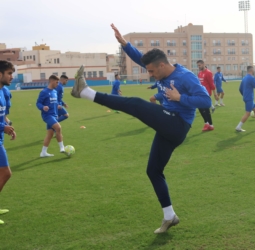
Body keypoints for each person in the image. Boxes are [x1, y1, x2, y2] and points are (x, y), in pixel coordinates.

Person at [70, 23, 211, 234]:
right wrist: (125, 45)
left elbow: (206, 101)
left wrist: (180, 97)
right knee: (153, 171)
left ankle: (85, 92)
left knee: (135, 104)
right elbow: (140, 58)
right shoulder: (160, 69)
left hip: (177, 124)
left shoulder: (185, 77)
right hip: (168, 126)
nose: (151, 75)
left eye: (153, 71)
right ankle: (170, 216)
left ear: (162, 65)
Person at [0, 60, 16, 225]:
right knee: (6, 173)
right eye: (9, 73)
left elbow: (3, 116)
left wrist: (8, 126)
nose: (12, 76)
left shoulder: (3, 92)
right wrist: (2, 127)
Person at [36, 75, 65, 157]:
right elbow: (38, 103)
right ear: (51, 81)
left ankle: (43, 153)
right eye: (56, 82)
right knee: (58, 128)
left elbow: (55, 102)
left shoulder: (55, 92)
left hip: (54, 115)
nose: (58, 84)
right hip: (47, 115)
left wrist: (58, 105)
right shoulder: (44, 92)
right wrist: (43, 107)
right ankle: (62, 147)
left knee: (50, 134)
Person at [197, 60, 215, 131]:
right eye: (198, 65)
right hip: (200, 93)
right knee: (200, 108)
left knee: (206, 110)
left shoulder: (208, 73)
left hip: (206, 94)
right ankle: (207, 123)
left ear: (203, 64)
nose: (199, 67)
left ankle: (210, 125)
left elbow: (211, 84)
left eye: (199, 65)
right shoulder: (200, 73)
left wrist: (215, 94)